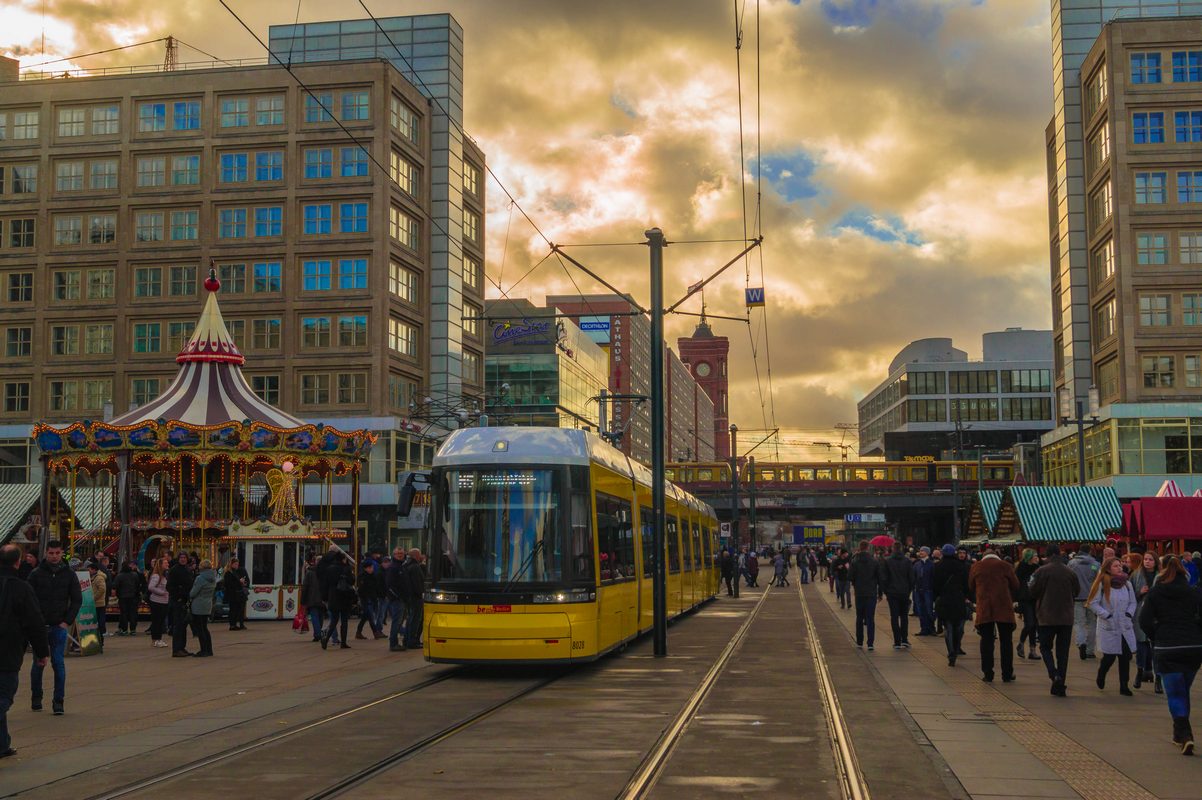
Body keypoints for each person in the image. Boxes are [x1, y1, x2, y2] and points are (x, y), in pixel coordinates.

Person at [1137, 555, 1202, 754]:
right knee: (1184, 690)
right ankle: (1179, 733)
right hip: (1193, 647)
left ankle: (1185, 734)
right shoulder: (1194, 593)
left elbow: (1144, 620)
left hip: (1167, 646)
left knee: (1175, 693)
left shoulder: (1156, 593)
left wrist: (1156, 636)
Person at [0, 544, 50, 760]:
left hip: (8, 650)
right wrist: (41, 652)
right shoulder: (20, 588)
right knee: (4, 697)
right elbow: (34, 622)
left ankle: (2, 744)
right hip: (8, 651)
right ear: (18, 562)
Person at [27, 540, 81, 715]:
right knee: (38, 663)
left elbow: (76, 599)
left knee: (58, 663)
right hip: (40, 627)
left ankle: (58, 701)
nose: (54, 556)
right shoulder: (36, 574)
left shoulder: (69, 575)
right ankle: (36, 696)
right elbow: (28, 598)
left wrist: (67, 621)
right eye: (51, 553)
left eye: (58, 553)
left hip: (59, 625)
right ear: (46, 553)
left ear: (62, 553)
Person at [1030, 543, 1081, 697]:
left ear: (1047, 554)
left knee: (1045, 647)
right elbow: (1076, 591)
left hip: (1046, 616)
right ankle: (1060, 684)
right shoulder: (1070, 572)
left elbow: (1033, 591)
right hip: (1066, 617)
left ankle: (1054, 674)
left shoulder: (1041, 571)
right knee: (1063, 652)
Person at [1086, 556, 1137, 696]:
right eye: (1115, 566)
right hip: (1109, 624)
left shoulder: (1127, 584)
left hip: (1124, 625)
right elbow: (1092, 603)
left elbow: (1133, 602)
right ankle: (1102, 673)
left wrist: (1129, 614)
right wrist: (1105, 614)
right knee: (1110, 656)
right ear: (1108, 569)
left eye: (1120, 565)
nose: (1119, 568)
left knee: (1125, 656)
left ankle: (1124, 685)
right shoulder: (1102, 583)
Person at [969, 545, 1020, 683]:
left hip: (985, 608)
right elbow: (1016, 585)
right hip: (1003, 607)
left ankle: (988, 673)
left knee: (986, 641)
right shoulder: (1005, 565)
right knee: (1006, 642)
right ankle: (1007, 673)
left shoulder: (976, 566)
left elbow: (971, 586)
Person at [932, 543, 970, 666]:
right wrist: (968, 597)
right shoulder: (961, 566)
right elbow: (966, 584)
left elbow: (935, 585)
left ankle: (951, 652)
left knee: (948, 627)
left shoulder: (937, 566)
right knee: (958, 626)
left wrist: (936, 597)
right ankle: (957, 645)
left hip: (944, 599)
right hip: (958, 599)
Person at [1129, 551, 1158, 690]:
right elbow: (1130, 594)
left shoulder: (1161, 575)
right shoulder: (1136, 575)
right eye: (1145, 559)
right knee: (1141, 642)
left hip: (1157, 613)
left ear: (1156, 561)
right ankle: (1140, 671)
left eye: (1150, 559)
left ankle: (1157, 677)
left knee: (1155, 645)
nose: (1147, 561)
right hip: (1141, 611)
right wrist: (1140, 592)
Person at [848, 541, 884, 651]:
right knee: (870, 618)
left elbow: (850, 576)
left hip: (859, 593)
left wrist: (855, 584)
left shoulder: (855, 561)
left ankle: (859, 641)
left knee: (859, 617)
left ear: (860, 547)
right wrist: (880, 593)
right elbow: (880, 578)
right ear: (868, 548)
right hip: (871, 593)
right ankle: (870, 643)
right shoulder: (874, 561)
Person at [1068, 546, 1101, 660]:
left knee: (1079, 622)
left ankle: (1081, 642)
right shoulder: (1096, 564)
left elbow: (1069, 580)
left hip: (1077, 597)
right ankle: (1090, 650)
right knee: (1092, 623)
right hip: (1092, 598)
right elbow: (1099, 581)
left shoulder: (1072, 564)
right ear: (1089, 551)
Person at [881, 542, 915, 650]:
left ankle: (897, 641)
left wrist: (886, 591)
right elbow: (911, 578)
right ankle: (904, 639)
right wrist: (909, 590)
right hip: (904, 592)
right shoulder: (907, 561)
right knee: (904, 616)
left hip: (892, 593)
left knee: (894, 617)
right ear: (901, 549)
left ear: (892, 549)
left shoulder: (888, 561)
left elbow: (884, 578)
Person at [321, 555, 355, 650]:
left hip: (333, 596)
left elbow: (325, 584)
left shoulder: (329, 569)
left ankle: (326, 639)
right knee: (344, 620)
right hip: (344, 596)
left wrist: (325, 597)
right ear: (343, 559)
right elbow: (352, 581)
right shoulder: (346, 568)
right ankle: (343, 642)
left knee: (334, 620)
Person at [1014, 549, 1041, 660]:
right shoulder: (1021, 568)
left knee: (1034, 625)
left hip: (1035, 598)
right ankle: (1021, 643)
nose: (1037, 558)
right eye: (1035, 556)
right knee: (1029, 623)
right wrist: (1015, 599)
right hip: (1025, 599)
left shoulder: (1038, 568)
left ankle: (1032, 650)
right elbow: (1016, 584)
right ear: (1029, 557)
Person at [166, 551, 194, 657]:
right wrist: (177, 596)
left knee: (183, 625)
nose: (183, 559)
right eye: (181, 557)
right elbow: (169, 586)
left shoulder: (187, 569)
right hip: (178, 601)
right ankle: (177, 649)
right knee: (178, 625)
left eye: (184, 557)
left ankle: (182, 647)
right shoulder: (174, 570)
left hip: (185, 600)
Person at [188, 560, 217, 657]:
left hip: (198, 604)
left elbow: (193, 593)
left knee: (200, 629)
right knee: (205, 628)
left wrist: (189, 595)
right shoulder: (213, 578)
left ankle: (203, 650)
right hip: (208, 603)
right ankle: (209, 649)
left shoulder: (200, 578)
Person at [401, 548, 426, 650]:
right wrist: (421, 592)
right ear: (416, 555)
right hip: (416, 597)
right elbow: (417, 583)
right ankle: (412, 641)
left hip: (409, 596)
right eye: (419, 554)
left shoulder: (406, 565)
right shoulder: (415, 567)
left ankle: (407, 640)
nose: (421, 556)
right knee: (415, 619)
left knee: (410, 619)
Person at [386, 547, 409, 651]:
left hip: (402, 598)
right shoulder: (394, 567)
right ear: (394, 555)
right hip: (397, 599)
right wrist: (397, 596)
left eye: (401, 553)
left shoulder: (401, 566)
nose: (400, 555)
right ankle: (393, 643)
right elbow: (390, 584)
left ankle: (396, 642)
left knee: (399, 622)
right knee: (397, 621)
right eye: (398, 553)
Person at [356, 560, 384, 639]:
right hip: (365, 598)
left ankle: (358, 632)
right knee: (370, 615)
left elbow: (376, 587)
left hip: (373, 598)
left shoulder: (373, 576)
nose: (371, 569)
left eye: (372, 567)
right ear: (365, 568)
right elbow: (361, 588)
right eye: (369, 567)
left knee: (366, 616)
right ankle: (375, 632)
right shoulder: (362, 576)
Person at [147, 556, 170, 648]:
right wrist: (162, 592)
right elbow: (151, 587)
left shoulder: (165, 576)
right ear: (160, 565)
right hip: (157, 602)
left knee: (160, 621)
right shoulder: (156, 576)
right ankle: (156, 639)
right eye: (165, 563)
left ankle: (158, 639)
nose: (167, 564)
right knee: (157, 621)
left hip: (164, 602)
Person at [912, 547, 935, 637]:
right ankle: (924, 628)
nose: (921, 552)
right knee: (921, 610)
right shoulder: (917, 564)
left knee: (929, 610)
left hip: (928, 590)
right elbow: (913, 576)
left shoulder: (931, 564)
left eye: (923, 551)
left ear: (927, 553)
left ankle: (931, 628)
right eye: (920, 551)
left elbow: (933, 578)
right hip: (918, 590)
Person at [113, 561, 141, 636]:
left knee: (124, 613)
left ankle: (124, 630)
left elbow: (115, 586)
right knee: (133, 613)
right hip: (133, 597)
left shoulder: (119, 576)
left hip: (123, 597)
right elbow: (138, 585)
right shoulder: (135, 575)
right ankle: (133, 630)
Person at [301, 559, 326, 643]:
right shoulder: (324, 573)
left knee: (314, 616)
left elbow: (305, 587)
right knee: (320, 616)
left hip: (312, 598)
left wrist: (303, 600)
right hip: (322, 598)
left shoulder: (310, 572)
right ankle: (318, 633)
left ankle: (318, 634)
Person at [222, 558, 249, 631]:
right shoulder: (228, 573)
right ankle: (232, 625)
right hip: (232, 594)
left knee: (237, 609)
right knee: (233, 609)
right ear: (231, 564)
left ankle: (234, 624)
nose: (237, 565)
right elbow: (229, 584)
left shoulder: (235, 572)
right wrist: (239, 582)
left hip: (236, 594)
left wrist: (241, 582)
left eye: (237, 564)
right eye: (235, 564)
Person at [86, 561, 107, 647]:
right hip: (94, 603)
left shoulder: (99, 578)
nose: (88, 571)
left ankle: (100, 640)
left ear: (94, 570)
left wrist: (93, 598)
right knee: (95, 622)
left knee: (99, 622)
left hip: (98, 604)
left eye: (89, 569)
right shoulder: (93, 577)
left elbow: (102, 590)